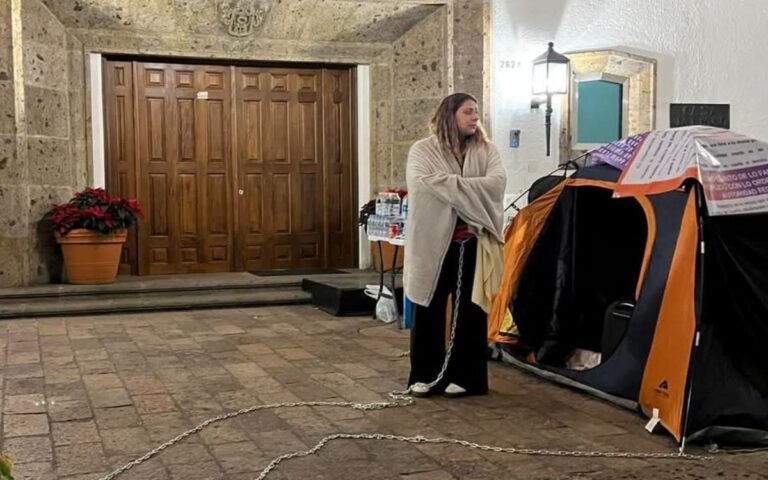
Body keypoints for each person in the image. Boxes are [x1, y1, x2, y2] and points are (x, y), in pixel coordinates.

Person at [403, 92, 506, 398]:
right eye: (468, 112)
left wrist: (447, 186)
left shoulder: (486, 150)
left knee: (471, 311)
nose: (475, 117)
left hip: (472, 243)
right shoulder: (423, 150)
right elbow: (421, 185)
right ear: (450, 115)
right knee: (428, 308)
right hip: (433, 243)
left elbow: (496, 184)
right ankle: (424, 376)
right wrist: (471, 192)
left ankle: (467, 378)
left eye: (476, 111)